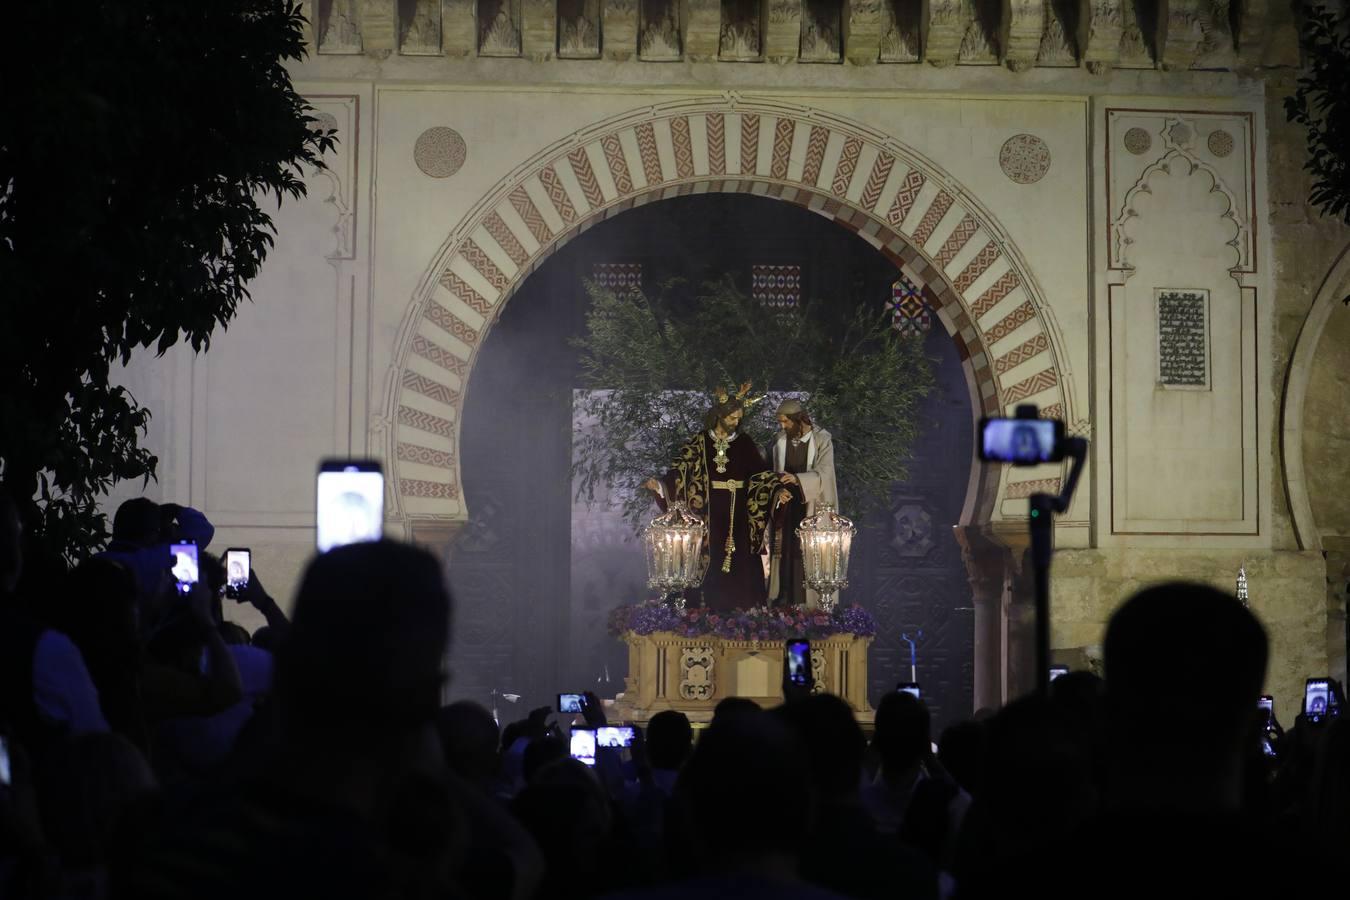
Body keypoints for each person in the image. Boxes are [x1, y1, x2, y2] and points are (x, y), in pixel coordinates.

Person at [643, 384, 777, 613]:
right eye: (732, 418)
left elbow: (761, 474)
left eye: (738, 418)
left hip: (740, 509)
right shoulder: (700, 442)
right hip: (708, 510)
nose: (736, 422)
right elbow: (680, 471)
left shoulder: (744, 442)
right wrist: (661, 486)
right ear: (720, 416)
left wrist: (776, 489)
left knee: (741, 556)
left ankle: (744, 609)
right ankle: (706, 611)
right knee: (710, 557)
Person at [767, 399, 838, 608]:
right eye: (780, 422)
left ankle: (808, 606)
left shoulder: (822, 440)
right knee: (784, 552)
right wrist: (778, 488)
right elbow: (774, 472)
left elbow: (825, 473)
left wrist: (797, 479)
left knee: (806, 554)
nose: (783, 427)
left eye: (786, 422)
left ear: (799, 420)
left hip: (811, 507)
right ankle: (784, 601)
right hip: (786, 508)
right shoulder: (780, 441)